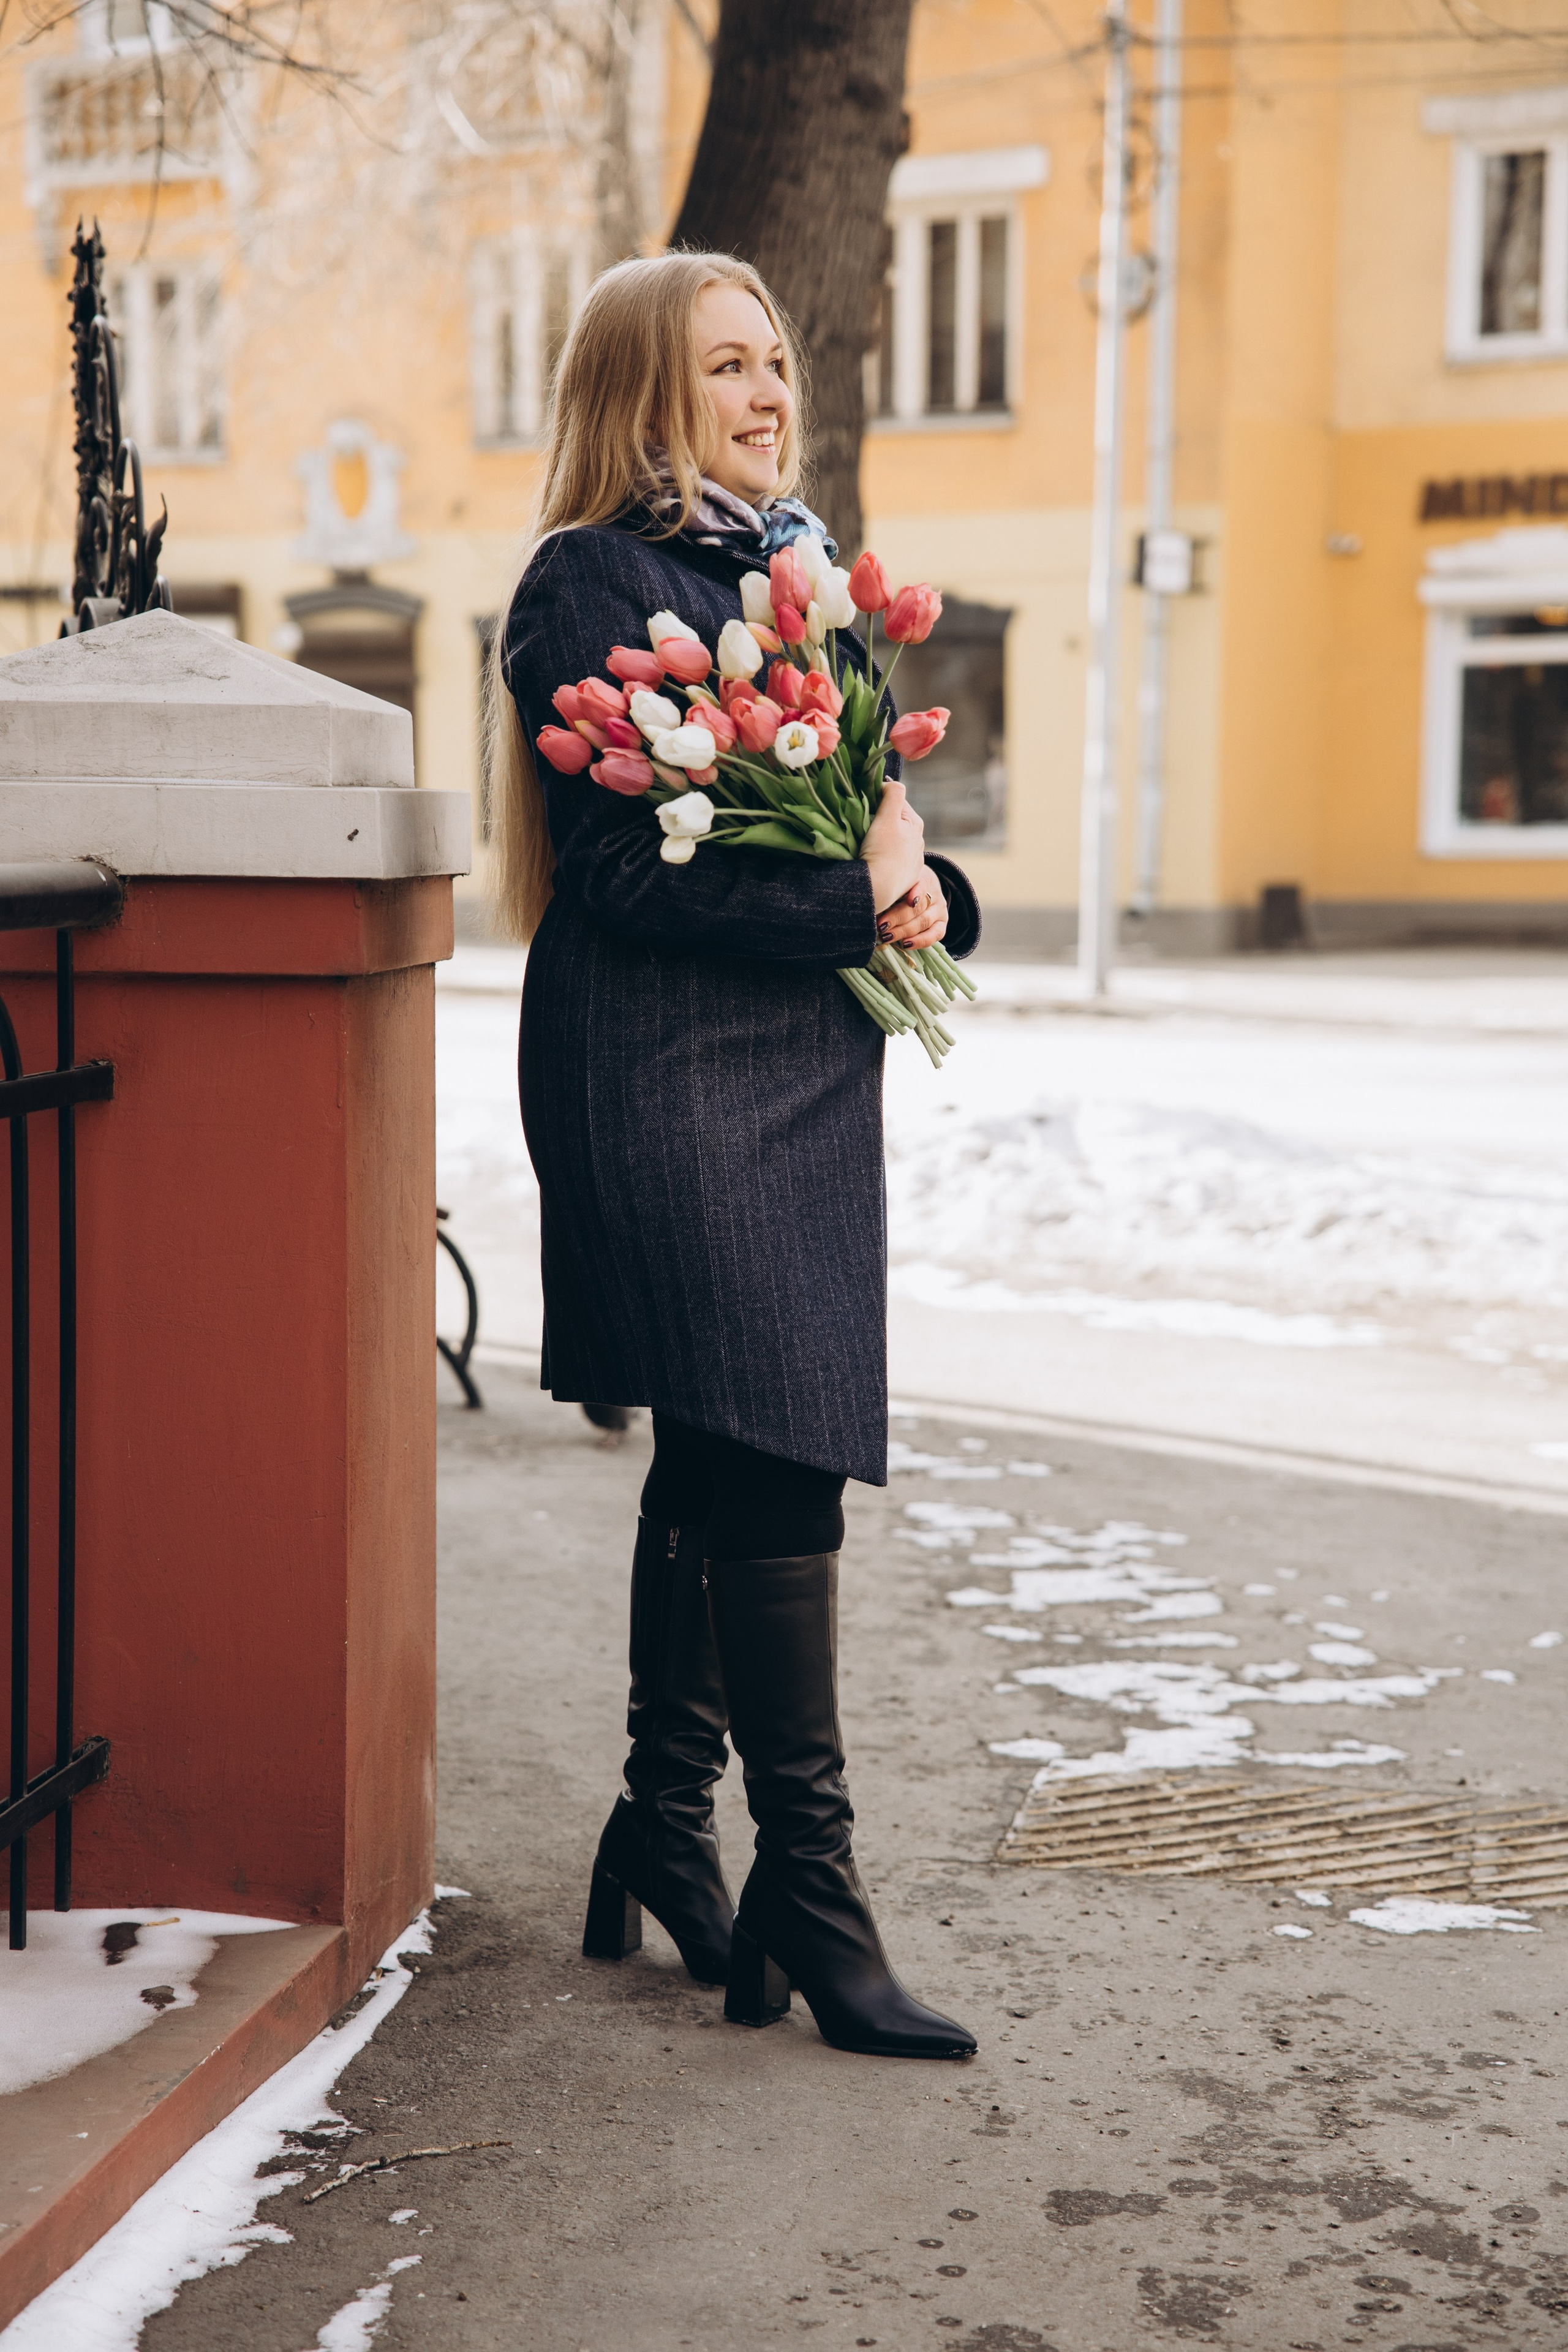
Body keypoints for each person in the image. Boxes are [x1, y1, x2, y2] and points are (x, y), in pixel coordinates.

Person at [488, 250, 980, 2060]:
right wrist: (842, 896)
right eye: (726, 365)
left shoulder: (797, 568)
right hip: (669, 1068)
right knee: (774, 1451)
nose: (769, 391)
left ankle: (664, 1826)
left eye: (774, 361)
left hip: (803, 1070)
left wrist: (929, 893)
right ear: (642, 391)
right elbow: (626, 872)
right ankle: (814, 1892)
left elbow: (865, 818)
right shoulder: (588, 579)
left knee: (725, 1445)